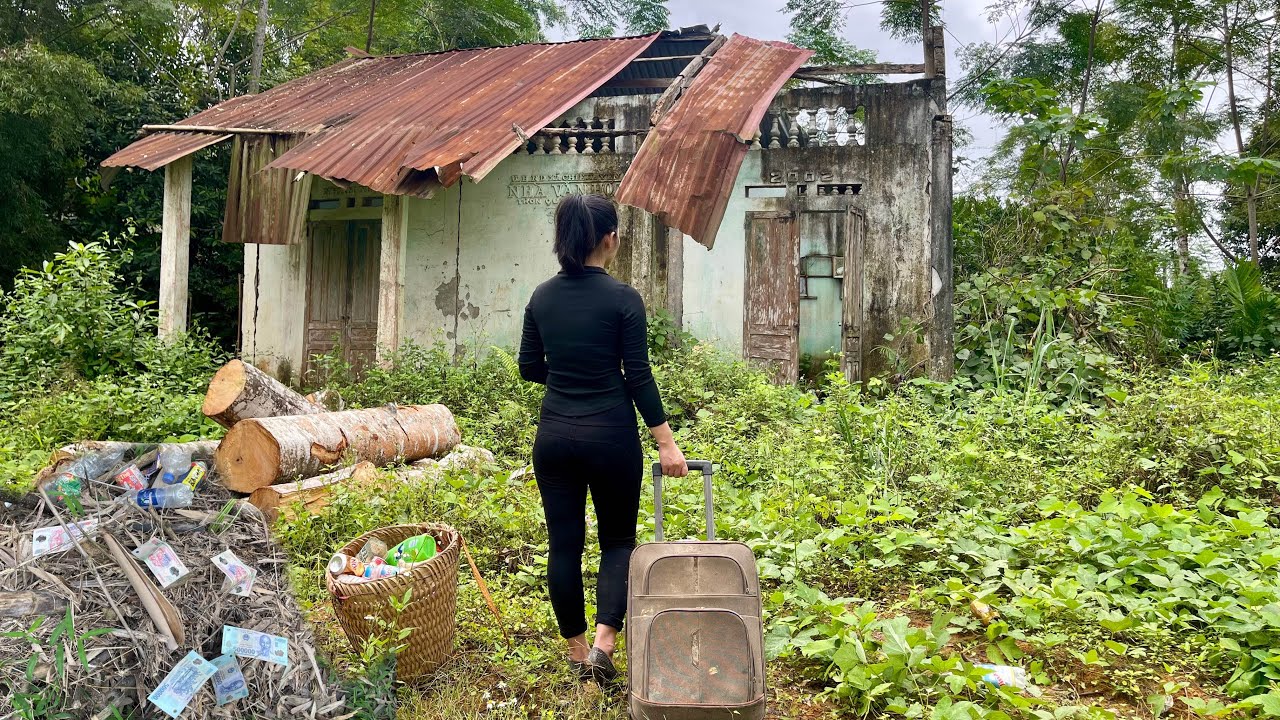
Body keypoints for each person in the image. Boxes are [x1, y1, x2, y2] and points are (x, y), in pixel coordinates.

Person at [518, 193, 689, 685]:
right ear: (609, 239)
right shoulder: (623, 299)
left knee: (564, 544)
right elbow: (638, 376)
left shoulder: (541, 297)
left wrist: (569, 373)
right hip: (611, 436)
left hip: (554, 437)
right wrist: (665, 442)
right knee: (617, 541)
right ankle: (602, 646)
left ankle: (574, 649)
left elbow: (529, 367)